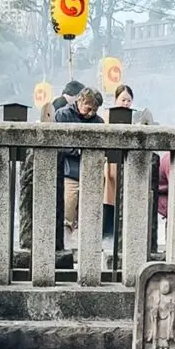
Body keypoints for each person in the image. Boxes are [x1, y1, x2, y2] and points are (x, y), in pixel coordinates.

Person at [54, 87, 103, 242]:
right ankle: (66, 243)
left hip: (90, 172)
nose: (91, 113)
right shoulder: (63, 115)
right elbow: (59, 142)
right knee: (68, 211)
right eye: (89, 108)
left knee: (88, 215)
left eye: (95, 110)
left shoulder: (98, 122)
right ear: (80, 100)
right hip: (68, 171)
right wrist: (79, 151)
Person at [103, 85, 135, 235]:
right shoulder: (106, 117)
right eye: (123, 99)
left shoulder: (134, 119)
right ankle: (107, 234)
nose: (126, 103)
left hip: (127, 164)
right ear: (116, 99)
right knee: (108, 200)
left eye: (128, 100)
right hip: (109, 165)